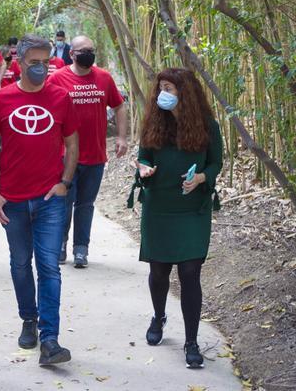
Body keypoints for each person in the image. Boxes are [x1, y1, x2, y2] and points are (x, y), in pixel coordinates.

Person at [0, 34, 79, 365]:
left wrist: (65, 182)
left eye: (45, 62)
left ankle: (50, 340)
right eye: (33, 62)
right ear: (19, 63)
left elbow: (73, 143)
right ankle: (29, 319)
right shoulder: (1, 100)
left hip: (50, 197)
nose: (40, 68)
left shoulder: (61, 97)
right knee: (21, 264)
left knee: (49, 266)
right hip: (12, 199)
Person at [128, 67, 223, 369]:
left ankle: (191, 341)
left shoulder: (207, 126)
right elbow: (143, 158)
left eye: (168, 88)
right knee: (159, 273)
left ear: (186, 92)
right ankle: (158, 317)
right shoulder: (154, 123)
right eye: (161, 89)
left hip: (191, 210)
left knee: (190, 273)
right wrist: (144, 170)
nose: (162, 94)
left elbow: (216, 162)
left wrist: (202, 179)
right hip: (159, 208)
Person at [49, 36, 127, 267]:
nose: (88, 54)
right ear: (71, 53)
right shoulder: (57, 78)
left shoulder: (103, 77)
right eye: (83, 50)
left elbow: (119, 105)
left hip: (95, 154)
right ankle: (60, 245)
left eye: (91, 50)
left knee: (85, 204)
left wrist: (122, 137)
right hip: (65, 156)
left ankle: (81, 248)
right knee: (63, 202)